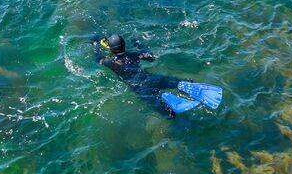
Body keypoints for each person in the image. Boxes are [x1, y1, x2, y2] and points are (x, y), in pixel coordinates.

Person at [95, 34, 223, 117]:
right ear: (124, 45)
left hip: (141, 89)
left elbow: (98, 59)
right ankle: (186, 85)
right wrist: (139, 44)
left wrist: (96, 46)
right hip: (152, 79)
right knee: (175, 83)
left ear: (111, 49)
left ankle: (172, 113)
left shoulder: (110, 63)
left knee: (167, 114)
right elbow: (149, 56)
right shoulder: (133, 55)